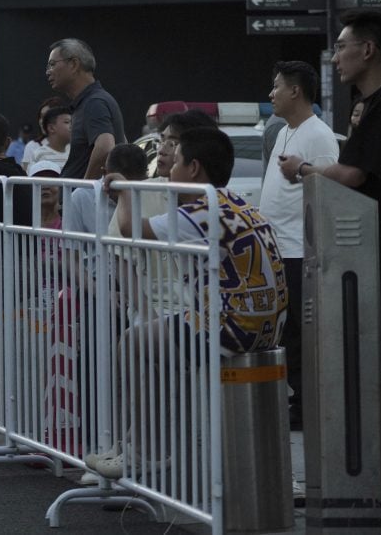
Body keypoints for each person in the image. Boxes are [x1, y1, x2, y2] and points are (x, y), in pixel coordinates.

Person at [279, 9, 381, 513]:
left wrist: (304, 169)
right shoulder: (374, 105)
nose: (334, 56)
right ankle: (374, 492)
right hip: (362, 259)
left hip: (377, 257)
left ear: (368, 50)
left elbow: (355, 176)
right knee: (362, 374)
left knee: (378, 376)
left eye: (341, 46)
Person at [94, 127, 287, 478]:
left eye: (176, 160)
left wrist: (122, 192)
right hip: (265, 326)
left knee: (133, 343)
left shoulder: (201, 209)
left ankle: (143, 452)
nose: (167, 169)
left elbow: (129, 228)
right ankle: (145, 446)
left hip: (232, 328)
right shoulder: (237, 202)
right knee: (155, 341)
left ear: (194, 167)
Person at [258, 60, 339, 428]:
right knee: (284, 330)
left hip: (299, 250)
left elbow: (328, 190)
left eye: (276, 87)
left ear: (295, 91)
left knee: (299, 331)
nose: (271, 94)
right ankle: (297, 399)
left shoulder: (319, 134)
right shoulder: (283, 132)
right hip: (277, 248)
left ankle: (307, 405)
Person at [46, 38, 126, 180]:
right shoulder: (94, 100)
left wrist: (84, 188)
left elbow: (105, 147)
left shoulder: (94, 102)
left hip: (84, 200)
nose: (48, 72)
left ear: (74, 64)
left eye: (52, 64)